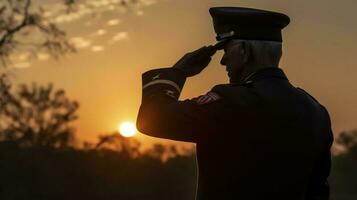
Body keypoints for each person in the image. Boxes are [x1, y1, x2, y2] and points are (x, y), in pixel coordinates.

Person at [136, 7, 333, 200]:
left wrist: (178, 72)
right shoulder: (316, 112)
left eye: (226, 50)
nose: (223, 62)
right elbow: (318, 192)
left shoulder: (231, 102)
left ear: (244, 51)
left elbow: (152, 119)